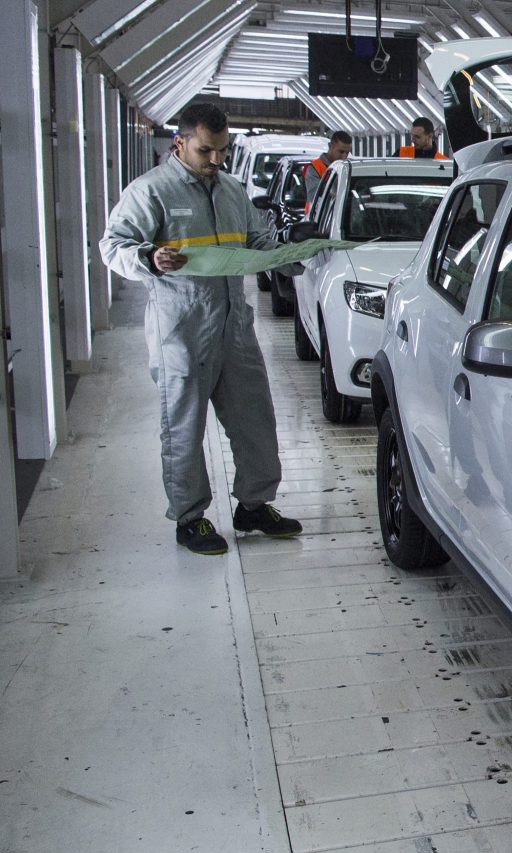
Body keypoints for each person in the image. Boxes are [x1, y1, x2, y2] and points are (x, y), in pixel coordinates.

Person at [99, 103, 303, 556]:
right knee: (184, 428)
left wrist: (291, 256)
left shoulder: (233, 190)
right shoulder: (150, 191)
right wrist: (148, 258)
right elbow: (112, 246)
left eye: (222, 151)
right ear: (180, 142)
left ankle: (254, 505)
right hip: (183, 330)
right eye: (205, 151)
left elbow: (258, 243)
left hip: (235, 328)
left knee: (255, 421)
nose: (216, 161)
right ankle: (190, 518)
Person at [305, 129, 352, 203]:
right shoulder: (314, 168)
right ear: (330, 146)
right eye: (341, 152)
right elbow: (314, 197)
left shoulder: (349, 168)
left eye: (347, 153)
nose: (344, 156)